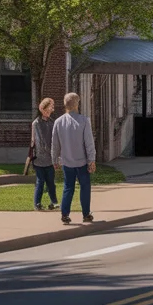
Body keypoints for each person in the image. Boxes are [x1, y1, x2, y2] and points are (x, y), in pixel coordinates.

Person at [51, 92, 96, 225]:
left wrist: (54, 160)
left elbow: (55, 144)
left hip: (66, 161)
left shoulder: (58, 122)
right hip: (82, 161)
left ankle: (65, 214)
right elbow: (89, 142)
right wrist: (91, 160)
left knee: (68, 187)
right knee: (85, 186)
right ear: (77, 104)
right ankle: (86, 213)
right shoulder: (83, 121)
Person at [30, 97, 58, 212]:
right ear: (42, 108)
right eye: (49, 107)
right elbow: (40, 141)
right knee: (40, 181)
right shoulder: (36, 123)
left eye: (52, 107)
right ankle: (37, 203)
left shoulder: (52, 122)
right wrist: (52, 153)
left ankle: (54, 202)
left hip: (50, 159)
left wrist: (55, 154)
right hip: (39, 158)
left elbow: (55, 138)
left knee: (51, 182)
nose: (51, 109)